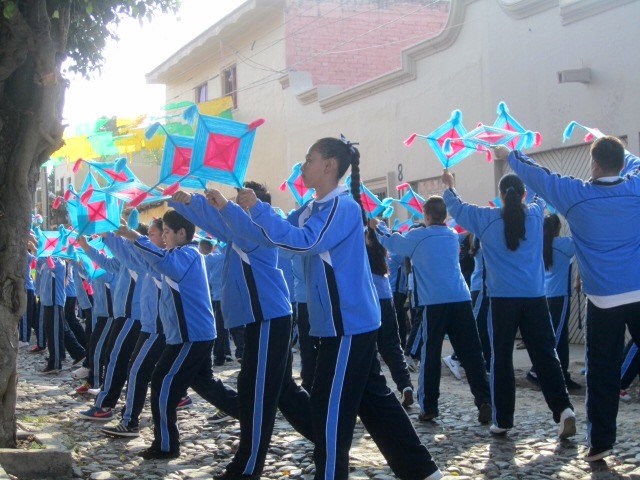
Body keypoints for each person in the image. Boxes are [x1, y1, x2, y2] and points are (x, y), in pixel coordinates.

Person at [226, 137, 442, 480]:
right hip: (340, 326)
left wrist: (261, 209)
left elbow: (304, 241)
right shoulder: (313, 208)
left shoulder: (342, 208)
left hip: (347, 326)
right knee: (375, 401)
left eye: (308, 159)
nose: (303, 165)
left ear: (329, 166)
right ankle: (424, 472)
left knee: (329, 413)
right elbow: (272, 235)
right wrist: (229, 211)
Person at [497, 138, 640, 461]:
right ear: (619, 162)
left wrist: (510, 156)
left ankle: (601, 441)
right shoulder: (636, 187)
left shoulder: (577, 196)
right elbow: (634, 162)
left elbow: (539, 177)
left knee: (602, 372)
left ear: (594, 164)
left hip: (604, 299)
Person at [170, 182, 314, 478]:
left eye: (245, 200)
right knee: (284, 391)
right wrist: (190, 203)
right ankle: (331, 437)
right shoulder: (239, 228)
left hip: (268, 318)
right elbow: (216, 222)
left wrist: (224, 205)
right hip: (264, 318)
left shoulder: (262, 228)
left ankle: (247, 467)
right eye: (239, 200)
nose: (238, 204)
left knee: (255, 393)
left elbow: (235, 224)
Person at [442, 169, 575, 440]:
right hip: (536, 298)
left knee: (501, 359)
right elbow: (540, 194)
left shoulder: (486, 219)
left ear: (500, 196)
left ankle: (503, 420)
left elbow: (456, 207)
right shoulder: (537, 214)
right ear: (523, 194)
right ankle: (564, 410)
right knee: (547, 356)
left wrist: (450, 185)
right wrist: (527, 169)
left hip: (502, 301)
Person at [372, 197, 491, 424]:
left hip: (434, 302)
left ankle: (429, 406)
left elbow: (393, 243)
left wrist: (377, 225)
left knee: (430, 356)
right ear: (444, 216)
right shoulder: (450, 236)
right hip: (461, 298)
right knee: (472, 355)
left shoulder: (420, 236)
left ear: (426, 216)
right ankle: (485, 401)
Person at [121, 210, 217, 459]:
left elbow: (161, 261)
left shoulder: (187, 255)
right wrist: (118, 237)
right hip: (187, 335)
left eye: (165, 232)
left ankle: (166, 445)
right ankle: (245, 412)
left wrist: (132, 235)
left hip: (190, 335)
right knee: (206, 385)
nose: (162, 237)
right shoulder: (177, 254)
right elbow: (142, 261)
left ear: (181, 233)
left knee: (162, 382)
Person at [527, 214, 581, 391]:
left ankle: (562, 375)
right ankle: (537, 371)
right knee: (556, 338)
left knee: (558, 336)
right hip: (559, 296)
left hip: (545, 294)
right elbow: (581, 240)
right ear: (558, 228)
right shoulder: (563, 244)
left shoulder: (540, 245)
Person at [365, 227, 415, 408]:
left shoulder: (361, 252)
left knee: (368, 347)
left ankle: (376, 391)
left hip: (368, 298)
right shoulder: (382, 254)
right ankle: (405, 385)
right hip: (386, 298)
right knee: (392, 346)